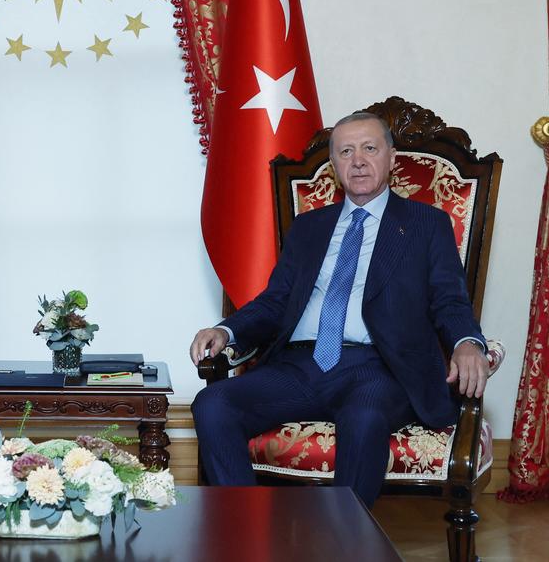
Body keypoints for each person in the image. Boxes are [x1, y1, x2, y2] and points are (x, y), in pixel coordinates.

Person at [189, 111, 488, 507]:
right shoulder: (309, 227)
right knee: (212, 403)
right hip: (300, 365)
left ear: (391, 157)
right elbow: (276, 300)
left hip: (379, 366)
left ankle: (343, 543)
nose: (358, 160)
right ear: (334, 166)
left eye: (369, 148)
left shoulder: (425, 224)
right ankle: (247, 534)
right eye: (346, 151)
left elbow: (450, 299)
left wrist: (468, 342)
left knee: (363, 419)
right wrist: (227, 330)